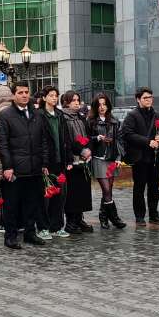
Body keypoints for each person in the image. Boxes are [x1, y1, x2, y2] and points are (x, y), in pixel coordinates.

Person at [0, 80, 51, 249]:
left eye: (26, 92)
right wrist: (7, 166)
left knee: (32, 203)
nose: (24, 95)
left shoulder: (37, 114)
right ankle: (10, 236)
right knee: (11, 205)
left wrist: (44, 162)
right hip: (15, 169)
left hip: (34, 167)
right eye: (20, 92)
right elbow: (2, 144)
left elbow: (44, 140)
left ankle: (30, 233)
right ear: (13, 95)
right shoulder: (5, 115)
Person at [120, 87, 159, 226]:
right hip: (139, 158)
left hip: (155, 157)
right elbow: (127, 134)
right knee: (139, 188)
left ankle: (154, 215)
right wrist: (147, 142)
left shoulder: (158, 116)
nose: (148, 100)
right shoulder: (132, 116)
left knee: (154, 188)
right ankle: (139, 216)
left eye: (150, 97)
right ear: (138, 99)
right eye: (145, 98)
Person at [37, 86, 72, 239]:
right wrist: (42, 163)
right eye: (51, 95)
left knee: (60, 195)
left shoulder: (60, 115)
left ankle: (57, 226)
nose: (54, 98)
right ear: (44, 98)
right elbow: (38, 140)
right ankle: (43, 227)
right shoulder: (39, 115)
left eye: (56, 95)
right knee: (45, 197)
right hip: (47, 162)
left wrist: (69, 158)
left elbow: (66, 138)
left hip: (60, 161)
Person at [88, 93, 126, 229]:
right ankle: (114, 218)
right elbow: (85, 139)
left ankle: (103, 216)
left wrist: (119, 158)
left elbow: (120, 141)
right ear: (95, 106)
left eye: (104, 104)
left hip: (112, 158)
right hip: (98, 158)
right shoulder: (91, 121)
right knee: (106, 189)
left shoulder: (115, 121)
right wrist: (97, 138)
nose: (102, 107)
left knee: (108, 190)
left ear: (108, 105)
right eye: (99, 105)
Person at [60, 91, 94, 234]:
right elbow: (66, 140)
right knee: (72, 192)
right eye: (73, 100)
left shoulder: (81, 117)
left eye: (78, 100)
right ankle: (71, 221)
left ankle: (79, 218)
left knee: (82, 191)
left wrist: (89, 149)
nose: (76, 102)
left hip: (84, 160)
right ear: (66, 102)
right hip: (71, 159)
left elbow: (88, 135)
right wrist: (81, 150)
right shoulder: (63, 117)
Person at [0, 85, 15, 234]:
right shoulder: (14, 111)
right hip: (16, 159)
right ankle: (16, 222)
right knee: (15, 193)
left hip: (0, 160)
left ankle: (4, 223)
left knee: (4, 194)